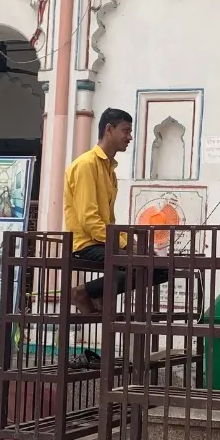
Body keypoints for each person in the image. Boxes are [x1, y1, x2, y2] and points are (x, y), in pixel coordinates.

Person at [66, 108, 168, 314]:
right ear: (109, 129)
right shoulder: (86, 165)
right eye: (125, 131)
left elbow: (108, 221)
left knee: (163, 267)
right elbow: (89, 220)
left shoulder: (109, 170)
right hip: (86, 244)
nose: (129, 137)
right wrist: (128, 245)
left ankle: (98, 292)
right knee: (141, 263)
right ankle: (82, 292)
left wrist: (133, 244)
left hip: (104, 240)